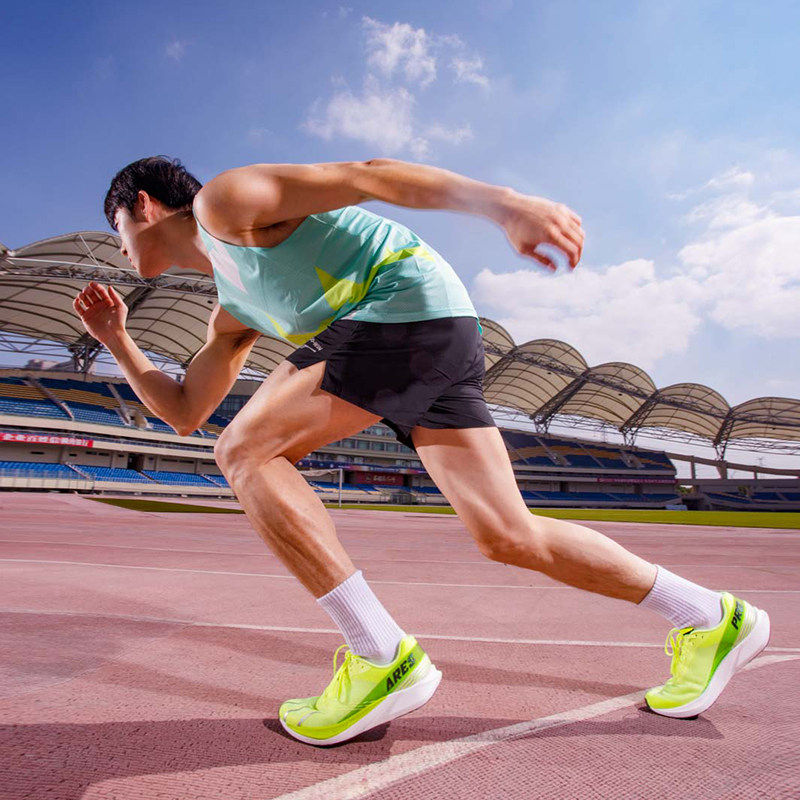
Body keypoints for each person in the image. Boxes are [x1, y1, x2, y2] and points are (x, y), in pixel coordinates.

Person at [74, 155, 770, 746]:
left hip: (402, 307)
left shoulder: (224, 203)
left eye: (119, 228)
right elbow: (185, 411)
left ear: (143, 204)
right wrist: (118, 342)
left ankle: (380, 657)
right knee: (509, 535)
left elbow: (366, 175)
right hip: (427, 337)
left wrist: (507, 205)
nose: (121, 246)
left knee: (247, 452)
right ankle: (712, 617)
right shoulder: (232, 303)